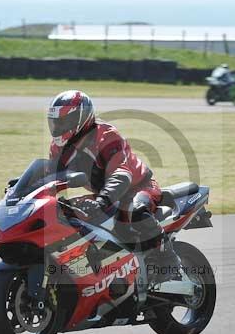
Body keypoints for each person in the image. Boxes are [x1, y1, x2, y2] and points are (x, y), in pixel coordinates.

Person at [46, 90, 182, 282]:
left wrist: (102, 200)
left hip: (138, 187)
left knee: (133, 210)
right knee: (66, 212)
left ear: (80, 119)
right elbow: (51, 176)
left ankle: (169, 260)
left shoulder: (105, 135)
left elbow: (122, 173)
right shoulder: (58, 146)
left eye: (63, 122)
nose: (58, 127)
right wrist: (24, 187)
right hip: (105, 194)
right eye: (55, 122)